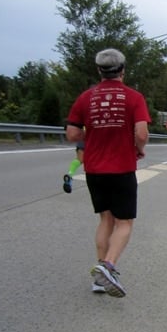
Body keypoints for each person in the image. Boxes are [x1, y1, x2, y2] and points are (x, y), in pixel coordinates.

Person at [65, 48, 151, 297]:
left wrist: (91, 136)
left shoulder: (86, 98)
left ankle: (98, 278)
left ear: (99, 70)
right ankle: (108, 266)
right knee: (124, 223)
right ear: (123, 70)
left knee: (106, 219)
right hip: (122, 167)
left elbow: (72, 134)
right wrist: (138, 148)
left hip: (94, 169)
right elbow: (142, 134)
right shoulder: (133, 97)